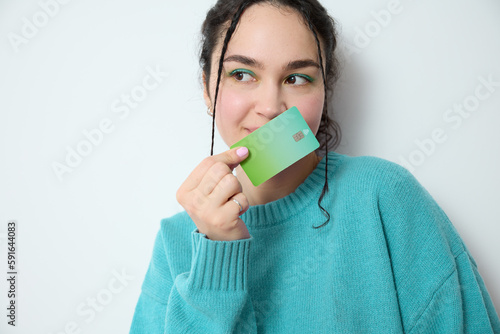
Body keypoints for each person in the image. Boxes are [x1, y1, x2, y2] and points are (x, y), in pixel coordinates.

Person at [129, 0, 500, 332]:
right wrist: (218, 253)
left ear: (324, 92)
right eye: (242, 74)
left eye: (296, 78)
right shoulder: (177, 242)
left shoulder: (384, 196)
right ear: (208, 90)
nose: (271, 107)